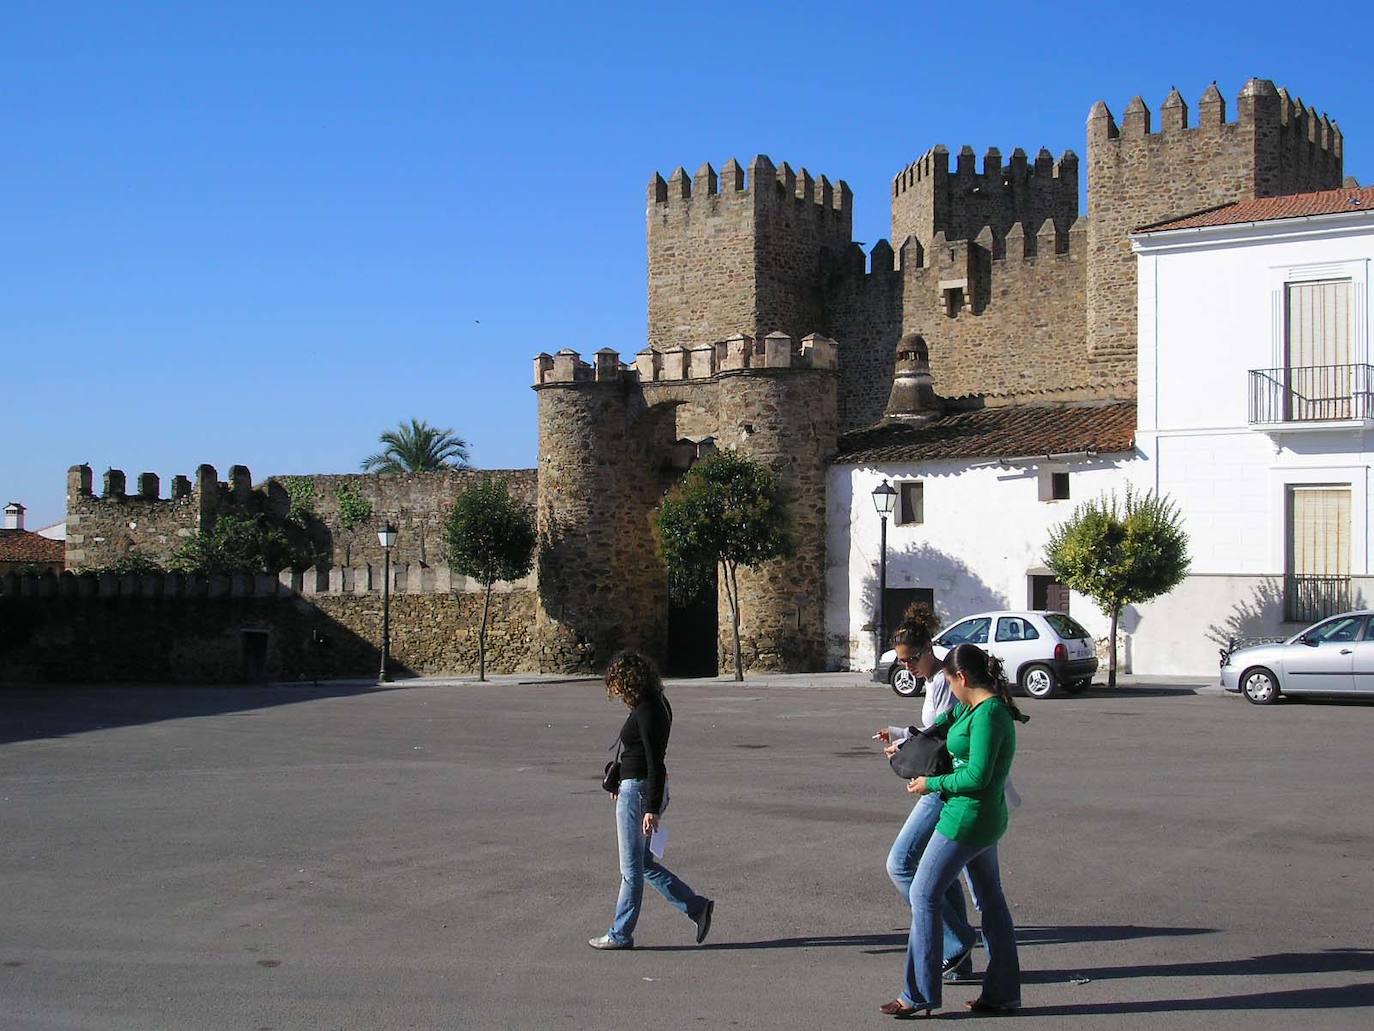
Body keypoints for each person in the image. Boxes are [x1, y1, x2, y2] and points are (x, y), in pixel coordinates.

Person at [879, 642, 1027, 1018]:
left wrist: (933, 784)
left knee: (924, 894)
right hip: (978, 817)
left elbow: (978, 775)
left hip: (968, 818)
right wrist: (906, 742)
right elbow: (940, 726)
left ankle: (918, 993)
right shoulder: (970, 706)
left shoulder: (991, 715)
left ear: (962, 677)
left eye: (951, 681)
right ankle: (1002, 993)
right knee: (990, 902)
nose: (950, 690)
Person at [874, 615, 978, 984]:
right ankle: (959, 960)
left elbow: (945, 736)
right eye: (901, 661)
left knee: (901, 864)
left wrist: (906, 748)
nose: (907, 667)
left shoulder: (946, 681)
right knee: (944, 874)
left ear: (928, 650)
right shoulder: (934, 680)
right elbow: (934, 730)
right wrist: (903, 736)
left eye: (911, 659)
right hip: (940, 782)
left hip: (941, 785)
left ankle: (956, 939)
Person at [589, 650, 715, 950]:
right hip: (639, 787)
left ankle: (620, 934)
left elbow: (654, 760)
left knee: (631, 869)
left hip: (640, 791)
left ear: (629, 682)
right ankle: (696, 907)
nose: (616, 691)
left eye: (618, 685)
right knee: (643, 864)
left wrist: (650, 808)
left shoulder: (648, 710)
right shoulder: (656, 704)